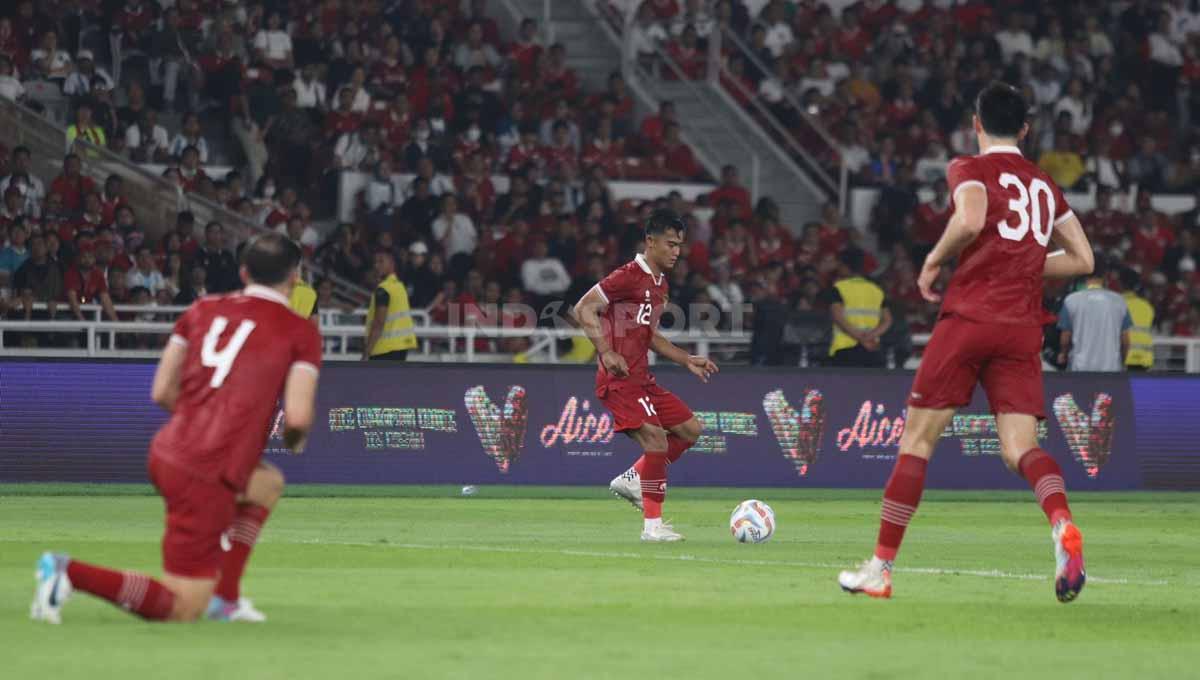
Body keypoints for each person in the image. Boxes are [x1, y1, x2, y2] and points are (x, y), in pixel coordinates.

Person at [837, 82, 1095, 603]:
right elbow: (1084, 261)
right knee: (1020, 449)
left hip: (971, 317)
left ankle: (881, 570)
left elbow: (971, 218)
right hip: (1023, 327)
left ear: (976, 124)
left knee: (917, 442)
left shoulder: (970, 168)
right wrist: (1023, 264)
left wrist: (933, 260)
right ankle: (1061, 521)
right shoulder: (1045, 185)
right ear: (1025, 129)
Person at [31, 233, 322, 624]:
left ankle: (225, 598)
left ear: (243, 271)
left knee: (266, 483)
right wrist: (295, 440)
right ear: (296, 277)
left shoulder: (202, 309)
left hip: (169, 449)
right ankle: (67, 572)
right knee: (182, 606)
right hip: (206, 470)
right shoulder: (299, 331)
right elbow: (299, 418)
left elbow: (162, 391)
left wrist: (203, 423)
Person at [574, 209, 718, 542]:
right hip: (619, 379)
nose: (676, 251)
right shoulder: (627, 276)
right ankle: (653, 527)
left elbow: (648, 334)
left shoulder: (660, 285)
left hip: (642, 379)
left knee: (690, 430)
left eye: (679, 245)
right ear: (650, 242)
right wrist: (606, 352)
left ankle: (633, 478)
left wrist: (685, 359)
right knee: (657, 439)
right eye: (669, 244)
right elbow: (584, 308)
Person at [1057, 259, 1131, 372]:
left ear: (1085, 273)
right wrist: (1122, 361)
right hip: (1111, 369)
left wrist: (1063, 354)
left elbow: (1065, 337)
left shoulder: (1071, 300)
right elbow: (1125, 340)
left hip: (1080, 368)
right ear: (1106, 275)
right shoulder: (1119, 301)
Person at [824, 249, 891, 367]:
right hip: (872, 349)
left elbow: (838, 317)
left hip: (845, 350)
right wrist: (870, 337)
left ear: (844, 266)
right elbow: (887, 320)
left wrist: (860, 338)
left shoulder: (838, 288)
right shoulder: (876, 290)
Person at [363, 250, 417, 361]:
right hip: (400, 347)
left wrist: (366, 353)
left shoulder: (383, 289)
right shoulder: (399, 286)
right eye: (375, 262)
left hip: (383, 349)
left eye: (381, 261)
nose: (376, 265)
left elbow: (379, 323)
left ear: (392, 263)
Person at [1120, 268, 1155, 371]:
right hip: (1144, 360)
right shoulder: (1147, 306)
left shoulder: (1117, 303)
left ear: (1121, 284)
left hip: (1124, 361)